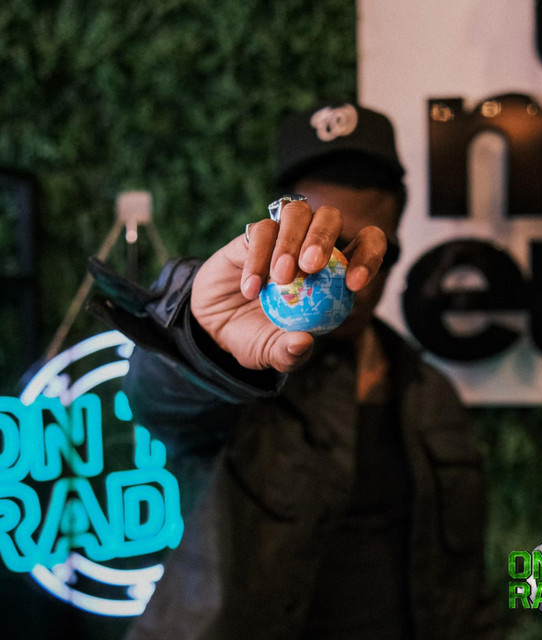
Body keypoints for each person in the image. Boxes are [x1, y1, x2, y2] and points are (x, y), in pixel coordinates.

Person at [90, 103, 500, 639]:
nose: (348, 280)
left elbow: (461, 588)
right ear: (286, 234)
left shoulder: (430, 395)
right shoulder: (244, 375)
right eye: (327, 253)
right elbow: (155, 399)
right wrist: (202, 337)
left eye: (364, 252)